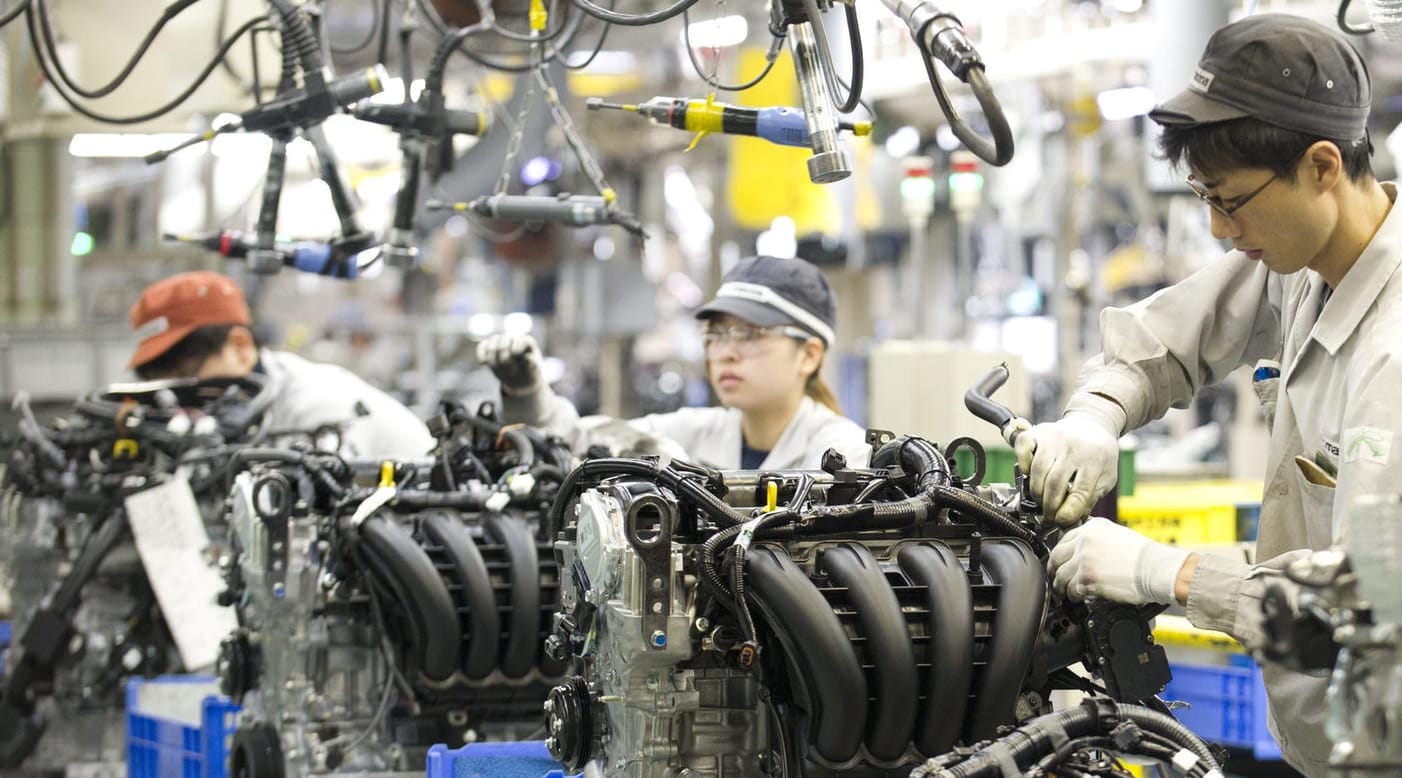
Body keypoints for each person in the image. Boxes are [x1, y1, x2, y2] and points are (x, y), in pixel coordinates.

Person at [1033, 14, 1402, 778]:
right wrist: (1095, 413)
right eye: (1204, 198)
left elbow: (1374, 617)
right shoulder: (1311, 258)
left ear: (1323, 165)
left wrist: (1168, 574)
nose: (1221, 230)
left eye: (1232, 202)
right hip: (1347, 759)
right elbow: (1177, 335)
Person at [478, 256, 871, 469]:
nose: (725, 353)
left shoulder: (838, 451)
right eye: (716, 335)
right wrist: (528, 394)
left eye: (751, 334)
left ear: (809, 355)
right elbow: (576, 441)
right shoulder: (696, 430)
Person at [126, 270, 433, 460]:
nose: (179, 399)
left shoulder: (316, 408)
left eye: (186, 376)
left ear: (240, 347)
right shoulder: (242, 417)